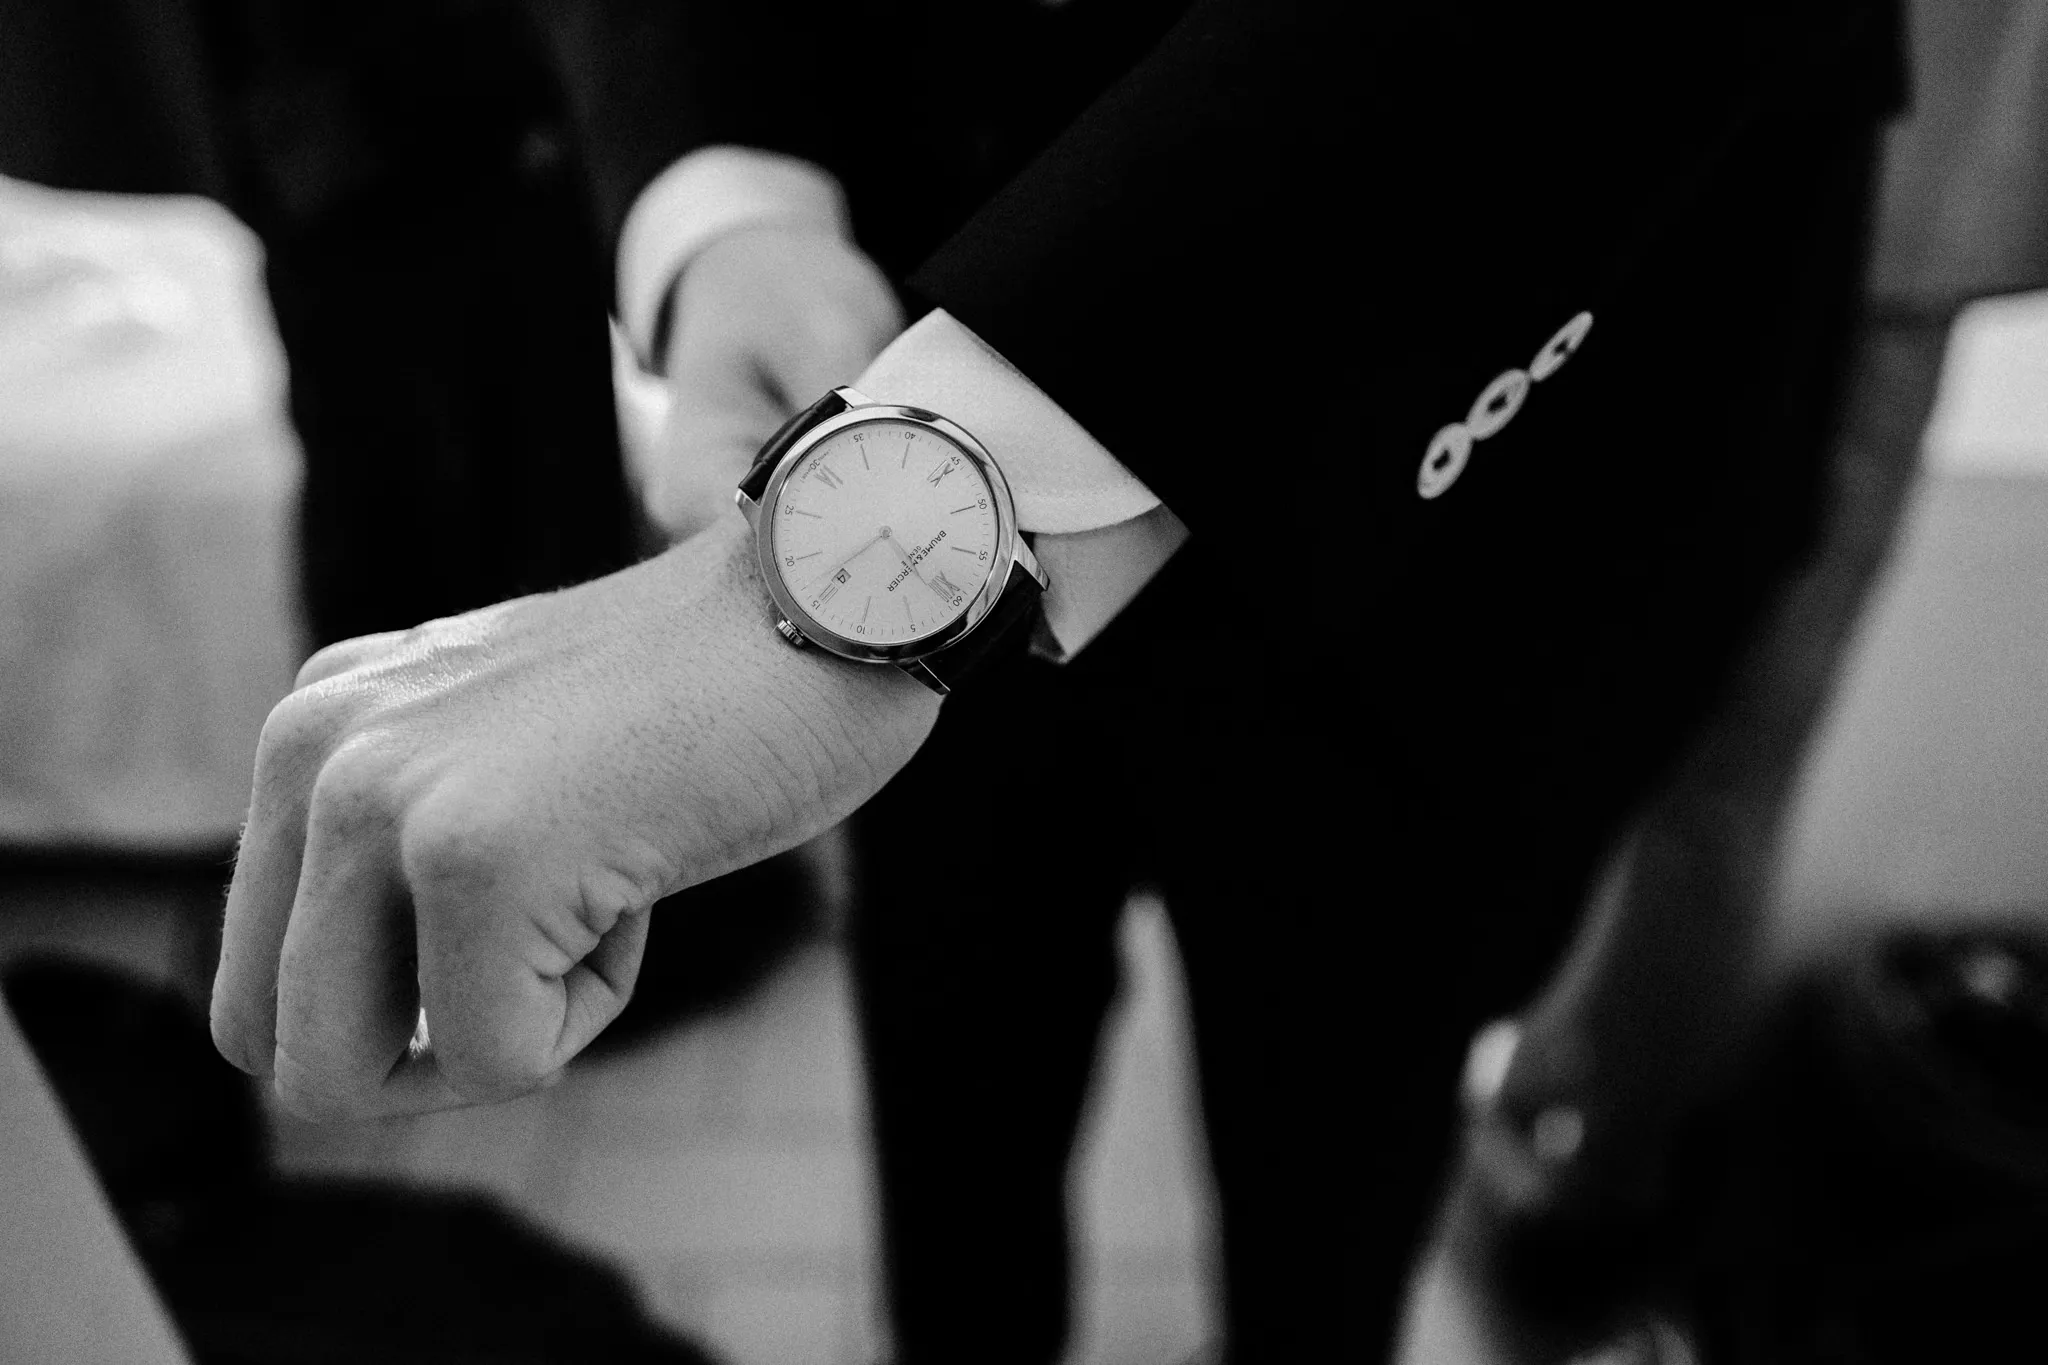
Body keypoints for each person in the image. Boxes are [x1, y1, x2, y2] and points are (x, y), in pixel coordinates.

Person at [209, 3, 1910, 1359]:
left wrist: (810, 577)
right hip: (891, 287)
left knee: (1338, 1188)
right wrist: (728, 199)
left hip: (1484, 471)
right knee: (952, 1126)